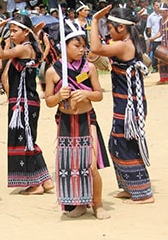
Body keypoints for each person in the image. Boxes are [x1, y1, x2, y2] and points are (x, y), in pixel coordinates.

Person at [44, 21, 111, 219]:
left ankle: (97, 204)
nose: (82, 50)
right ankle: (78, 203)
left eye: (83, 46)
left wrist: (86, 93)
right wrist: (59, 96)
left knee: (89, 165)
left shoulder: (89, 67)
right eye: (77, 45)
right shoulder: (52, 71)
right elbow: (49, 101)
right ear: (64, 46)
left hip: (86, 120)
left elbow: (99, 94)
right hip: (65, 122)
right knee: (70, 166)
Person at [91, 6, 154, 204]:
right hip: (127, 101)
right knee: (117, 143)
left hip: (129, 104)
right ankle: (129, 186)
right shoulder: (126, 42)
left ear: (121, 28)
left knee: (124, 143)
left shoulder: (124, 45)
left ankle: (143, 192)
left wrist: (94, 21)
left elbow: (95, 49)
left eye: (110, 27)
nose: (108, 31)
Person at [0, 15, 54, 194]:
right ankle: (46, 180)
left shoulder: (24, 49)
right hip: (27, 100)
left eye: (14, 31)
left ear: (26, 32)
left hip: (23, 102)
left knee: (24, 139)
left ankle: (35, 185)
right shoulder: (32, 47)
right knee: (28, 138)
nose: (11, 34)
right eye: (10, 31)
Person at [149, 2, 168, 83]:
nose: (161, 14)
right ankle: (164, 78)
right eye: (161, 12)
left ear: (166, 11)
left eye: (163, 12)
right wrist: (153, 38)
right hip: (164, 42)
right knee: (162, 61)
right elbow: (160, 32)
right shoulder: (160, 20)